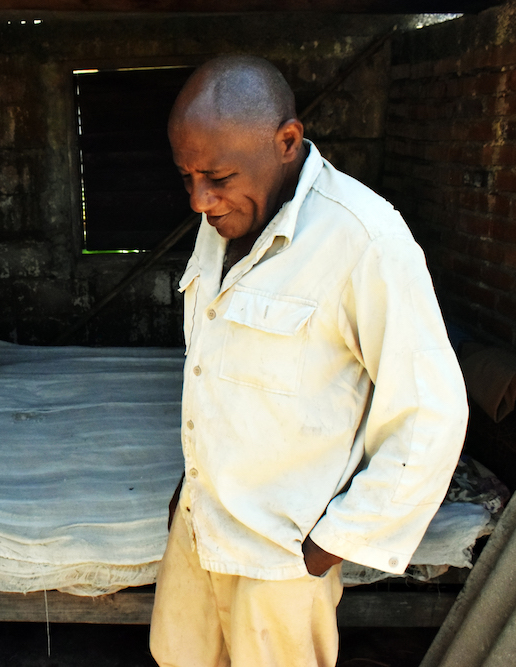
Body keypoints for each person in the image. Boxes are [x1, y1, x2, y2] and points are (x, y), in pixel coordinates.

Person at [149, 54, 469, 667]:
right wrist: (190, 482)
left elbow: (431, 411)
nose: (198, 200)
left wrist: (334, 542)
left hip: (283, 555)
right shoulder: (222, 217)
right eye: (185, 175)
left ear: (287, 142)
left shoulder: (364, 238)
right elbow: (219, 366)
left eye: (215, 175)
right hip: (201, 524)